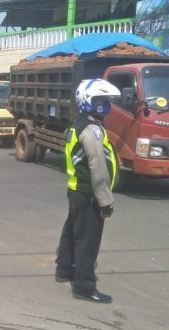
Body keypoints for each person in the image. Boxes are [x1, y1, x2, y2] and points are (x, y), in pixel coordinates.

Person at [55, 78, 120, 304]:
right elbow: (98, 168)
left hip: (76, 191)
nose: (104, 104)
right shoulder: (92, 131)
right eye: (99, 100)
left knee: (72, 231)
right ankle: (84, 286)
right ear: (87, 101)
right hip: (89, 193)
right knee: (88, 241)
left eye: (105, 100)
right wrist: (105, 201)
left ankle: (64, 270)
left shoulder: (79, 125)